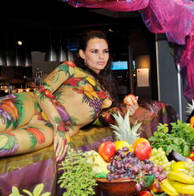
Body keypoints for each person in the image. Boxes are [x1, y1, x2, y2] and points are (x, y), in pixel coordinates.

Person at [0, 31, 137, 161]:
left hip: (48, 129)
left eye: (105, 51)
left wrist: (127, 108)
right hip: (32, 106)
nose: (101, 57)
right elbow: (42, 91)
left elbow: (102, 119)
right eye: (94, 51)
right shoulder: (70, 68)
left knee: (5, 145)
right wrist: (59, 128)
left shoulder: (106, 96)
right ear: (82, 54)